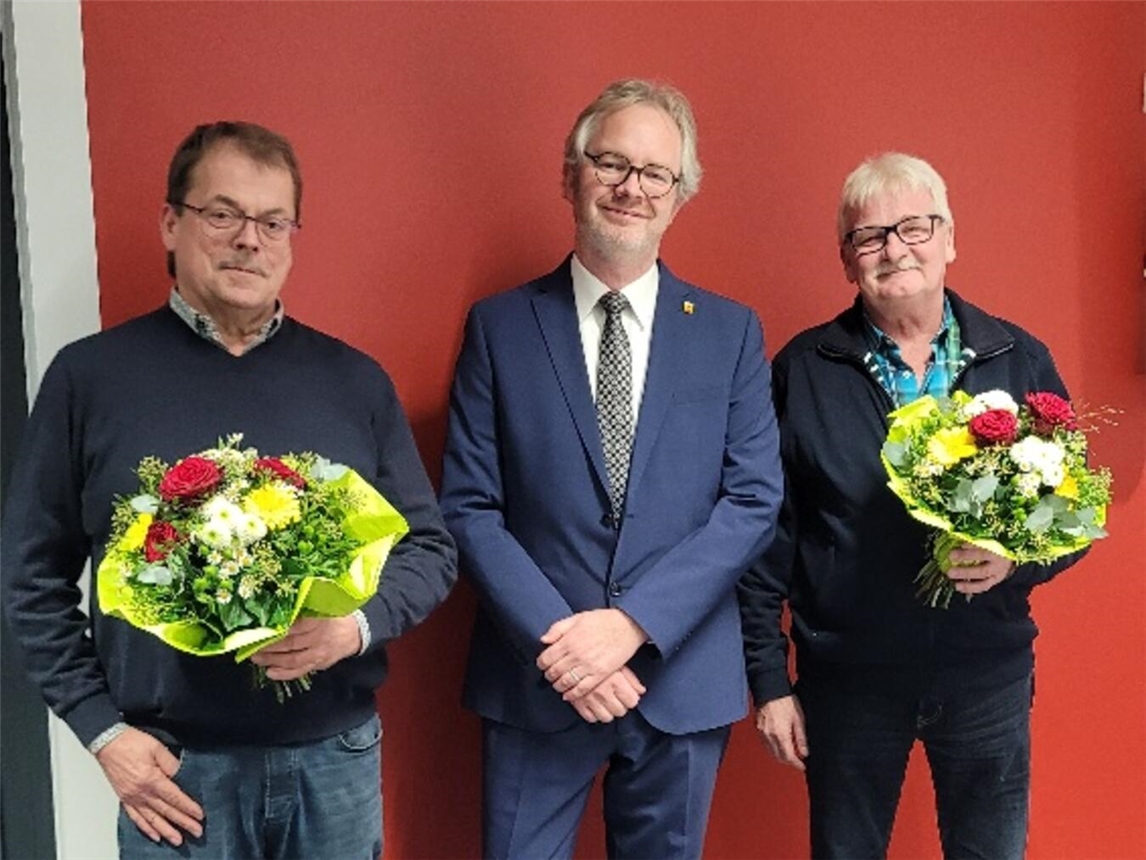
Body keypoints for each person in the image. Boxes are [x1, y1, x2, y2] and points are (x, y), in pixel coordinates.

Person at [1, 121, 457, 859]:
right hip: (177, 775)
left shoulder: (354, 382)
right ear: (171, 222)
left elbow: (429, 547)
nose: (250, 239)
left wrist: (356, 627)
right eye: (223, 213)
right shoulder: (89, 380)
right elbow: (29, 578)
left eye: (273, 221)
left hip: (333, 763)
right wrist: (101, 730)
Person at [440, 79, 783, 860]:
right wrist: (566, 650)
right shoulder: (500, 327)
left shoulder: (729, 333)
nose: (632, 187)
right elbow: (468, 506)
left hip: (681, 677)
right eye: (611, 163)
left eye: (655, 173)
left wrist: (631, 627)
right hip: (539, 679)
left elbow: (753, 500)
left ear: (679, 195)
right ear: (572, 175)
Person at [738, 152, 1086, 859]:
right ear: (847, 260)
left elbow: (1072, 518)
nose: (895, 248)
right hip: (848, 685)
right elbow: (763, 540)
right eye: (870, 236)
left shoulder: (1018, 357)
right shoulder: (801, 372)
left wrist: (1013, 559)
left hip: (986, 676)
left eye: (915, 227)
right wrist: (769, 681)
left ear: (950, 239)